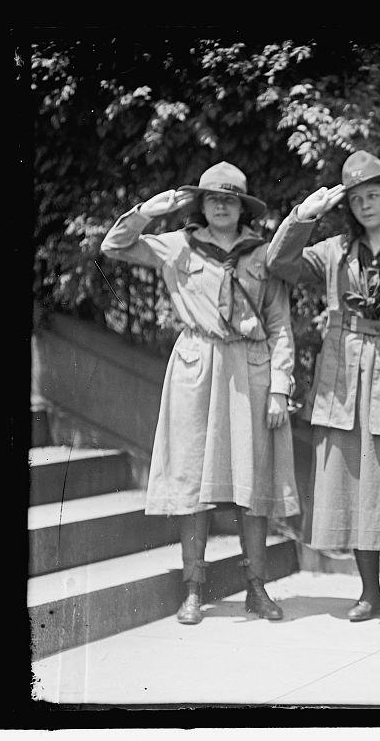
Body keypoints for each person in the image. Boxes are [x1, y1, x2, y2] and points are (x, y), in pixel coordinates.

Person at [100, 162, 299, 625]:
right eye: (213, 198)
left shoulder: (262, 254)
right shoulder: (177, 246)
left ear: (243, 206)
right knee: (193, 478)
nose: (221, 205)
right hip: (197, 365)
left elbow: (280, 326)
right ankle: (194, 587)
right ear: (201, 205)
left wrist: (280, 387)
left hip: (250, 369)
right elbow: (115, 245)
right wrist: (148, 210)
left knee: (254, 481)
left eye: (230, 199)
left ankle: (256, 586)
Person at [266, 150, 380, 624]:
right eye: (356, 198)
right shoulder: (332, 253)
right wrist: (303, 218)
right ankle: (369, 593)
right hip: (344, 378)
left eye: (373, 195)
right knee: (353, 486)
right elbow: (279, 263)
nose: (366, 204)